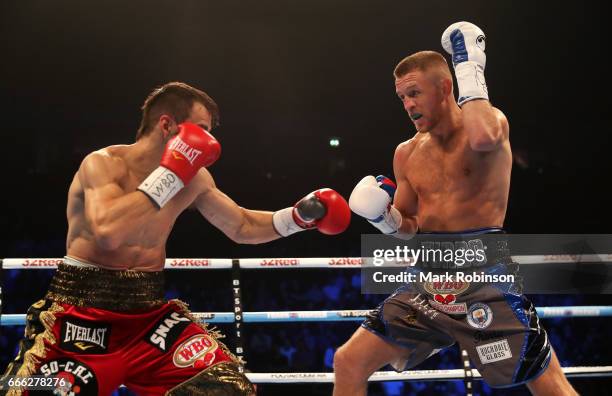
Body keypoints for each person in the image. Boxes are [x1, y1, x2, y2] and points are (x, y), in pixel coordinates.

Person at [0, 82, 351, 395]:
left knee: (226, 388)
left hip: (149, 319)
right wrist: (170, 174)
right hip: (80, 315)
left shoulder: (195, 178)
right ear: (166, 124)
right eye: (200, 130)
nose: (209, 143)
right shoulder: (104, 164)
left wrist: (299, 217)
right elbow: (108, 233)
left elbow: (241, 226)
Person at [334, 22, 577, 395]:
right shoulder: (407, 152)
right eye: (402, 98)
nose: (408, 105)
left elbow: (482, 136)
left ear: (446, 87)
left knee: (548, 386)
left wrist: (467, 63)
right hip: (426, 283)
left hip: (484, 277)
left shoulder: (488, 125)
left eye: (415, 93)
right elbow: (408, 226)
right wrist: (383, 218)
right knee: (347, 361)